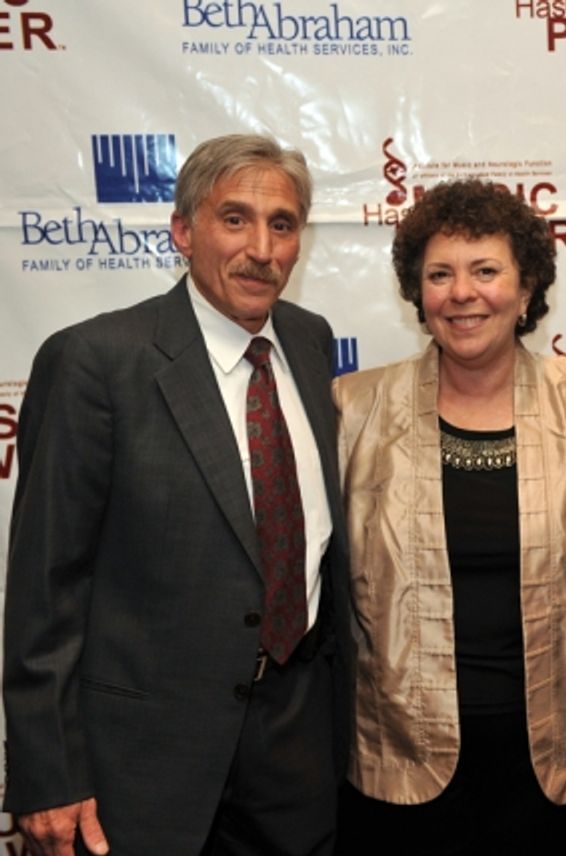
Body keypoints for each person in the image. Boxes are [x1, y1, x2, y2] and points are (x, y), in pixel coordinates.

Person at [3, 134, 353, 855]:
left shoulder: (309, 340)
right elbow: (47, 587)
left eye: (282, 225)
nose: (261, 248)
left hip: (297, 744)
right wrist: (49, 770)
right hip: (142, 763)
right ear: (183, 231)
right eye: (235, 219)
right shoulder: (95, 362)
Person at [333, 179, 566, 854]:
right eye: (440, 274)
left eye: (486, 270)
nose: (462, 293)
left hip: (560, 760)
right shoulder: (351, 409)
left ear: (526, 289)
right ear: (416, 291)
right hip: (398, 762)